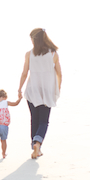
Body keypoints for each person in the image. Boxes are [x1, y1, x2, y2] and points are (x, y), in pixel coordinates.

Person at [17, 28, 62, 159]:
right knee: (43, 121)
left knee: (34, 119)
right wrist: (58, 86)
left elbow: (25, 73)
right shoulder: (53, 54)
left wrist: (19, 89)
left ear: (34, 40)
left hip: (32, 90)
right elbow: (59, 73)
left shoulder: (29, 54)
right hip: (47, 91)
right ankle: (38, 143)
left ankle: (35, 146)